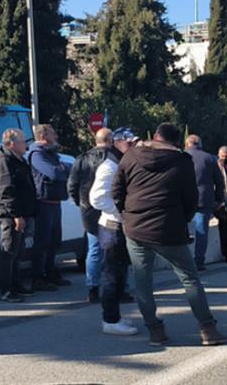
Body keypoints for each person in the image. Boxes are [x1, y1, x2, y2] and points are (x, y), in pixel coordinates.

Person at [113, 123, 227, 347]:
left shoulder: (131, 156)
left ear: (156, 136)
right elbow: (191, 198)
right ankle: (207, 329)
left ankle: (155, 331)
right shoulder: (182, 161)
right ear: (176, 141)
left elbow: (116, 191)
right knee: (190, 278)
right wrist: (181, 220)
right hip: (168, 228)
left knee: (142, 281)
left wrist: (127, 215)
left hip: (135, 228)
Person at [89, 127, 140, 336]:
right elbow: (96, 198)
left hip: (118, 224)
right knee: (112, 275)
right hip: (112, 226)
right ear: (116, 143)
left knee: (120, 274)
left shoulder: (120, 163)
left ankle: (114, 316)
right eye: (129, 143)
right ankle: (110, 319)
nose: (133, 146)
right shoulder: (109, 166)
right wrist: (122, 213)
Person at [0, 128, 37, 303]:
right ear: (12, 144)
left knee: (18, 252)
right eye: (23, 141)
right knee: (9, 251)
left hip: (22, 213)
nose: (26, 144)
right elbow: (7, 191)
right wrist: (16, 215)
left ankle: (16, 284)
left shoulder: (19, 159)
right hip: (10, 214)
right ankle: (6, 289)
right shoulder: (4, 161)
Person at [68, 128, 112, 303]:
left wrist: (80, 202)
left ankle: (93, 288)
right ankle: (117, 287)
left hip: (89, 210)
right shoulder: (113, 158)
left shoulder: (82, 158)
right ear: (110, 140)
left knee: (94, 249)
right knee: (113, 250)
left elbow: (72, 185)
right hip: (109, 209)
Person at [26, 124, 71, 292]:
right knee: (42, 243)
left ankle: (51, 272)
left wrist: (63, 168)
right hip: (43, 203)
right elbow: (54, 173)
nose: (56, 136)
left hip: (55, 202)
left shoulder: (50, 153)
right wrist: (63, 168)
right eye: (53, 134)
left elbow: (64, 170)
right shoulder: (37, 154)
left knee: (54, 241)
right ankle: (38, 278)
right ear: (43, 136)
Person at [186, 135, 224, 271]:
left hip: (183, 200)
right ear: (200, 144)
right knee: (201, 231)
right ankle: (199, 261)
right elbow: (219, 181)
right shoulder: (209, 158)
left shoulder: (181, 157)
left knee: (179, 230)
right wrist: (219, 200)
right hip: (204, 199)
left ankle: (181, 262)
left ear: (187, 144)